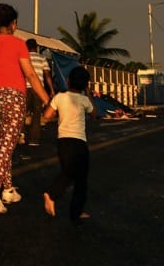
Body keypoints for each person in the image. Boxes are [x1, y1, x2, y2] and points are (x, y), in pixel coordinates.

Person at [0, 4, 50, 214]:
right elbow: (30, 74)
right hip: (13, 97)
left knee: (3, 144)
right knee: (6, 146)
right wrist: (46, 99)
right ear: (14, 24)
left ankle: (8, 189)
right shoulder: (18, 44)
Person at [42, 65, 97, 221]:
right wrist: (88, 93)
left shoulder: (60, 97)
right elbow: (94, 114)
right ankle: (54, 196)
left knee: (69, 171)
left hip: (63, 141)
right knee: (80, 178)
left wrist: (56, 107)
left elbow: (47, 115)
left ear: (68, 81)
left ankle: (70, 208)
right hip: (79, 142)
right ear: (85, 85)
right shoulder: (84, 100)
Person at [23, 38, 54, 146]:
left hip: (25, 88)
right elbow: (47, 76)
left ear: (26, 47)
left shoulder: (24, 58)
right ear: (36, 47)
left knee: (22, 113)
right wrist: (51, 89)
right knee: (36, 115)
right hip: (39, 89)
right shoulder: (42, 58)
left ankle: (21, 134)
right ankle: (34, 140)